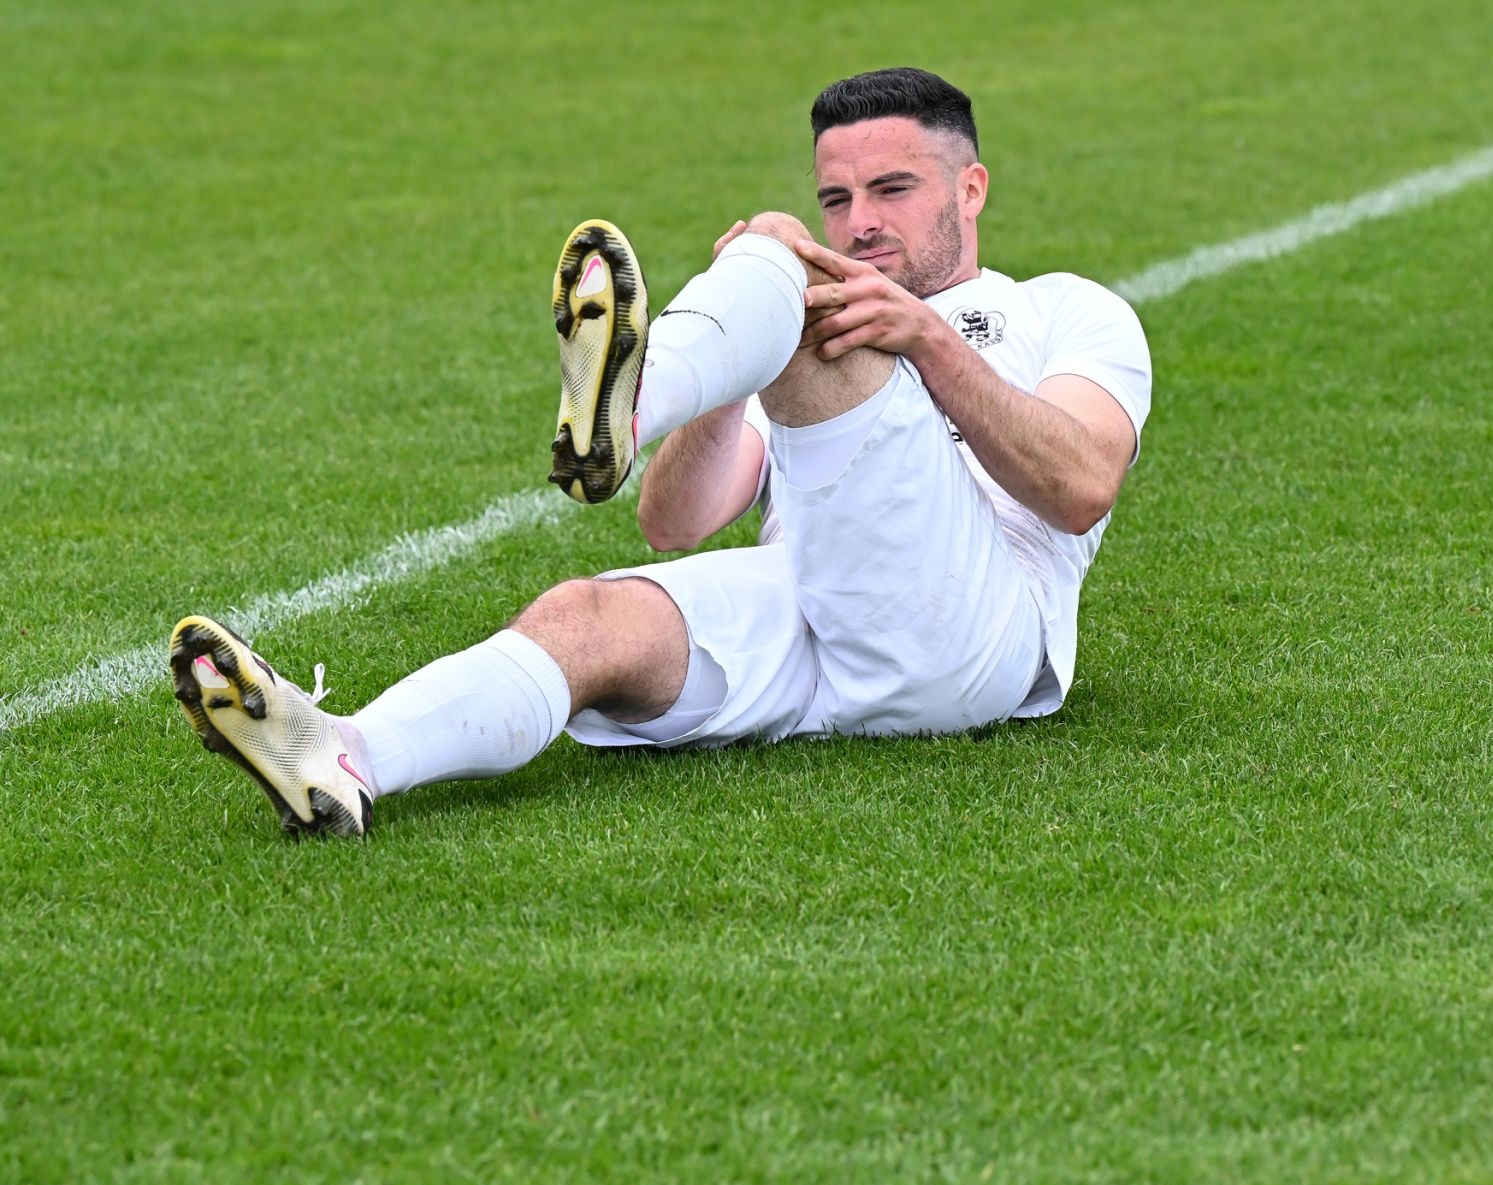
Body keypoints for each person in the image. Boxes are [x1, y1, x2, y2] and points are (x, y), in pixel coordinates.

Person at [168, 67, 1152, 836]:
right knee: (587, 616)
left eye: (891, 189)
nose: (860, 224)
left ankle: (643, 392)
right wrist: (740, 369)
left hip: (971, 637)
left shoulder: (1064, 310)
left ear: (970, 188)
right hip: (815, 608)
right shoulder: (829, 331)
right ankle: (345, 757)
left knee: (783, 252)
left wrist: (925, 339)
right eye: (838, 197)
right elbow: (673, 521)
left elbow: (1081, 485)